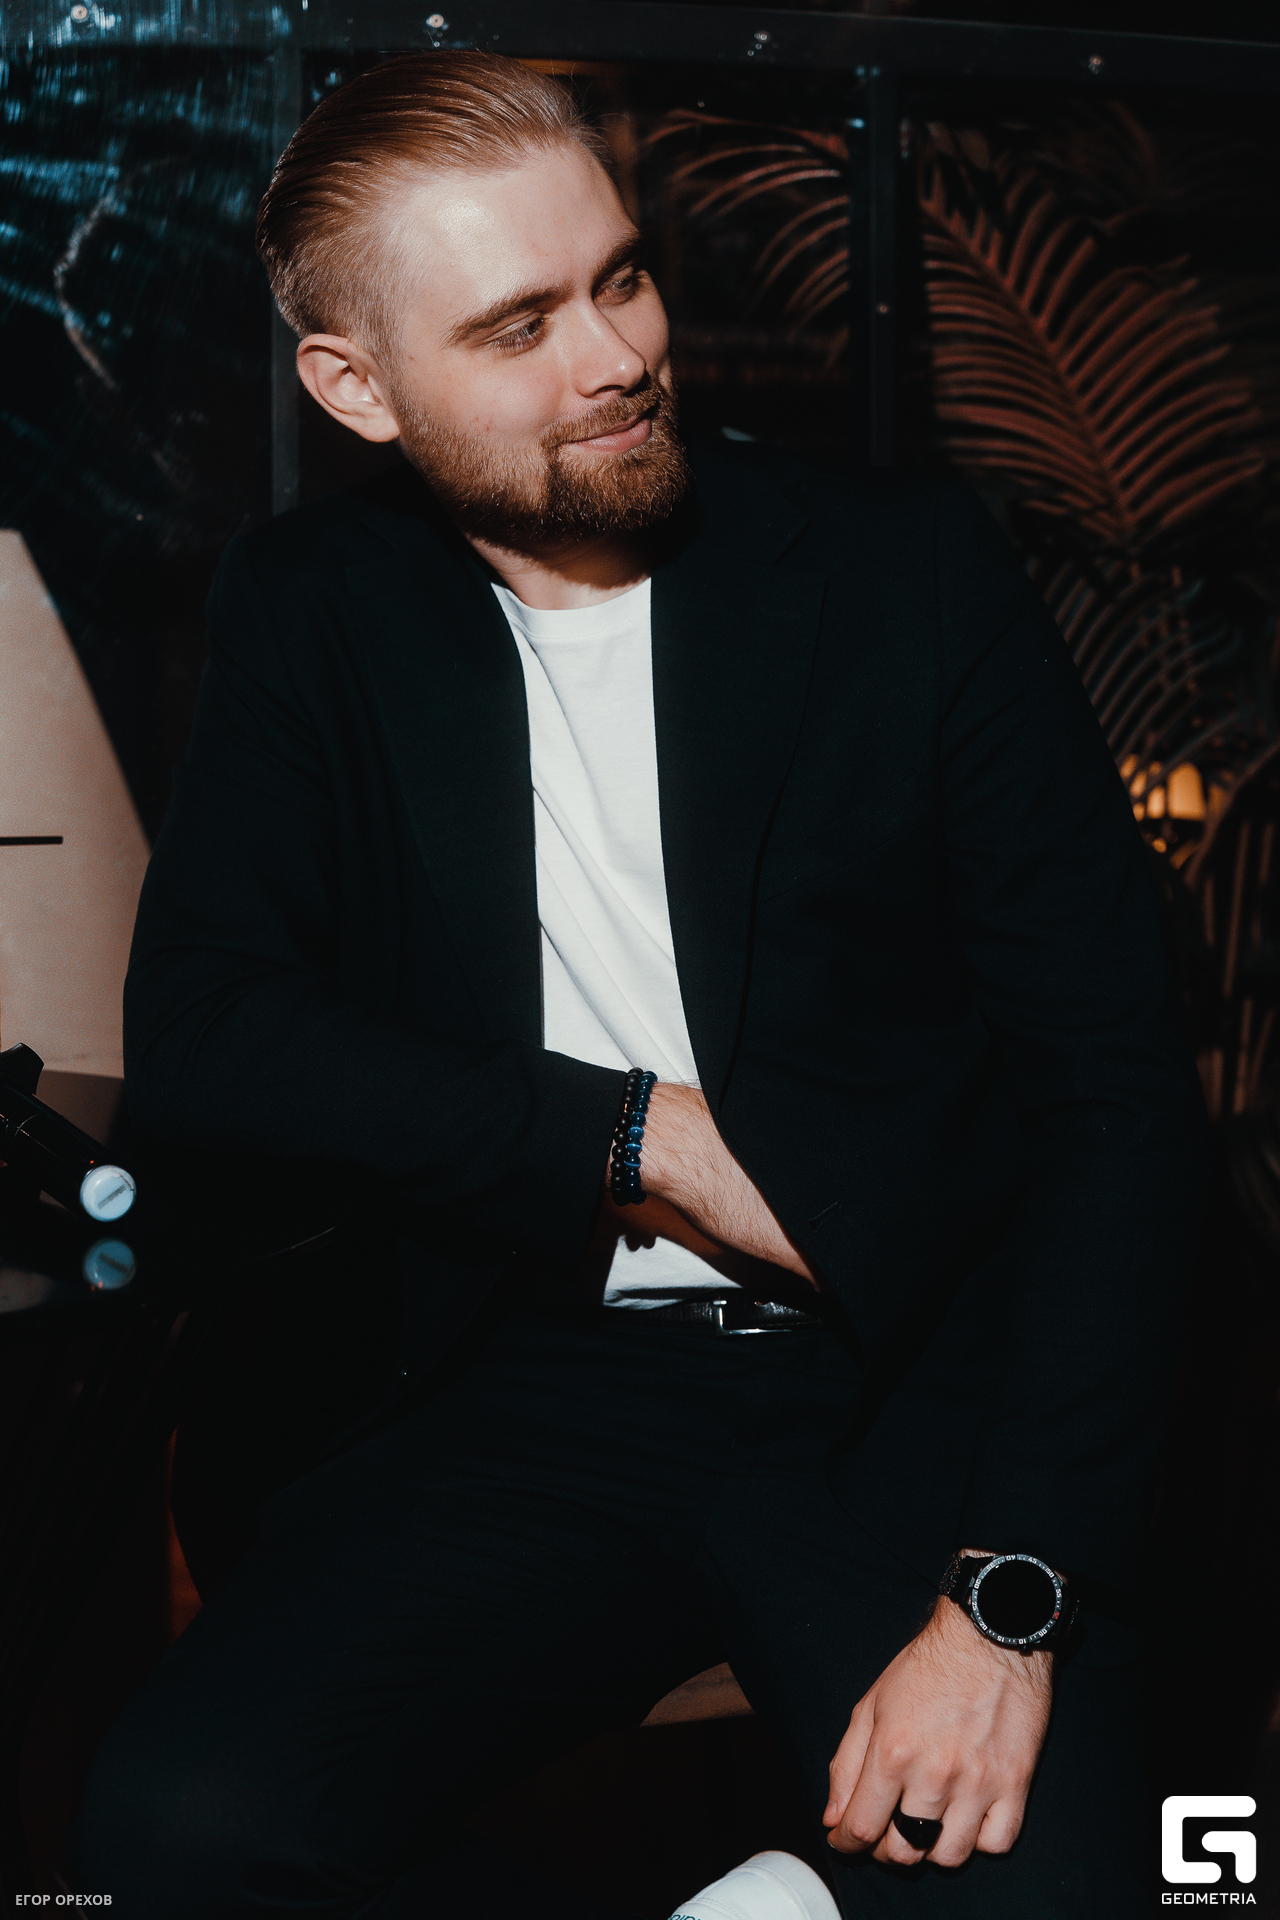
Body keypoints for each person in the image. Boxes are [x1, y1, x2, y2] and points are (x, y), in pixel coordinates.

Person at [70, 50, 1206, 1920]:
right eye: (518, 325)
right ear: (356, 388)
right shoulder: (314, 607)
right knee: (173, 1840)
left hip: (907, 1385)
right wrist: (637, 1137)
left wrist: (1009, 1602)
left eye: (621, 278)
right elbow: (207, 1033)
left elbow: (1117, 1107)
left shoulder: (908, 574)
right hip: (541, 1382)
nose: (613, 357)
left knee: (1086, 1898)